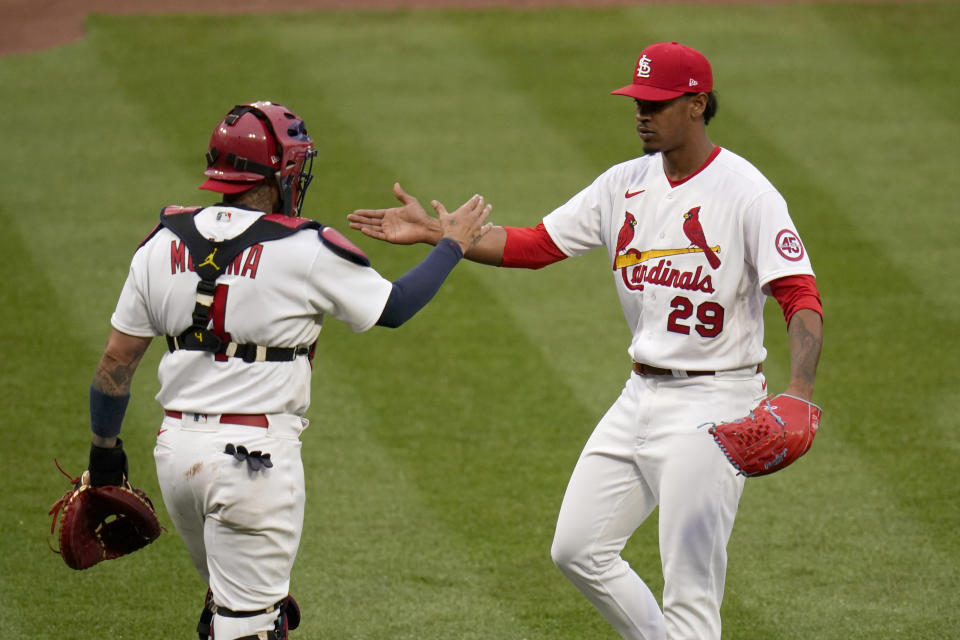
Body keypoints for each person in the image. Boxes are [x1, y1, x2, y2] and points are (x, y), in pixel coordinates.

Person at [347, 42, 823, 640]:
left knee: (691, 596)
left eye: (657, 103)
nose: (641, 114)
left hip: (716, 405)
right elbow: (536, 245)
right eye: (637, 102)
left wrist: (800, 387)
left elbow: (799, 292)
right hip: (640, 394)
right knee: (577, 549)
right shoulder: (624, 183)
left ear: (697, 104)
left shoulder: (747, 193)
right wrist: (444, 238)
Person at [82, 100, 490, 640]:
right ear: (280, 173)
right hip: (251, 465)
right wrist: (451, 245)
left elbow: (116, 361)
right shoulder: (305, 246)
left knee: (231, 608)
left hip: (175, 457)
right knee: (251, 627)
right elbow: (393, 308)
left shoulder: (162, 241)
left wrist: (104, 457)